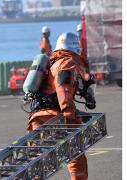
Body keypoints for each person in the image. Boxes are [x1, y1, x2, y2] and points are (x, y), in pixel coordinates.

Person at [27, 32, 94, 180]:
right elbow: (63, 89)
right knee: (76, 157)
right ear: (76, 48)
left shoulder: (52, 63)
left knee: (38, 164)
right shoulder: (67, 62)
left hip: (38, 118)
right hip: (55, 117)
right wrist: (71, 116)